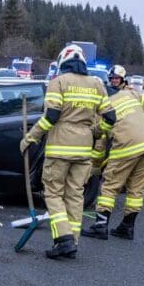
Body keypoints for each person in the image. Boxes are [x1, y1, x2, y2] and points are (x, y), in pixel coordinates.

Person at [20, 44, 116, 259]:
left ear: (62, 62)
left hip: (59, 148)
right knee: (75, 195)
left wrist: (30, 137)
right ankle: (72, 241)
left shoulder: (59, 82)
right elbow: (111, 118)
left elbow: (51, 116)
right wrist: (95, 132)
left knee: (53, 193)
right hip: (84, 150)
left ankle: (63, 239)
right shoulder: (97, 84)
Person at [81, 65, 144, 240]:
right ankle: (127, 227)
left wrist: (95, 168)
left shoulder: (103, 108)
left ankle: (100, 226)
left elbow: (100, 143)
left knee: (109, 186)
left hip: (126, 147)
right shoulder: (131, 94)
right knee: (136, 189)